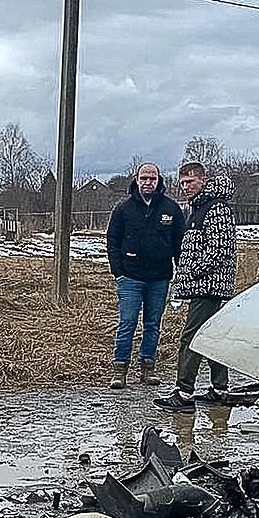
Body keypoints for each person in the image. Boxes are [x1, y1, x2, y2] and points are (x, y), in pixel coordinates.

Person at [154, 162, 237, 413]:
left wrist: (191, 272)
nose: (186, 187)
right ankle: (219, 388)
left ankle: (184, 392)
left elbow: (219, 250)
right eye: (182, 183)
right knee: (212, 337)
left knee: (191, 338)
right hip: (204, 285)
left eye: (190, 182)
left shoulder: (216, 209)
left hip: (209, 286)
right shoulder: (199, 208)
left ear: (204, 180)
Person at [104, 162, 185, 389]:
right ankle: (120, 369)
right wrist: (118, 271)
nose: (148, 182)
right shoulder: (123, 209)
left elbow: (179, 243)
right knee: (127, 322)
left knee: (152, 324)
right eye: (144, 178)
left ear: (159, 180)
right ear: (136, 180)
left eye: (152, 178)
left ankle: (147, 368)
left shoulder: (171, 209)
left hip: (159, 277)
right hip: (130, 277)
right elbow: (112, 240)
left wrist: (181, 272)